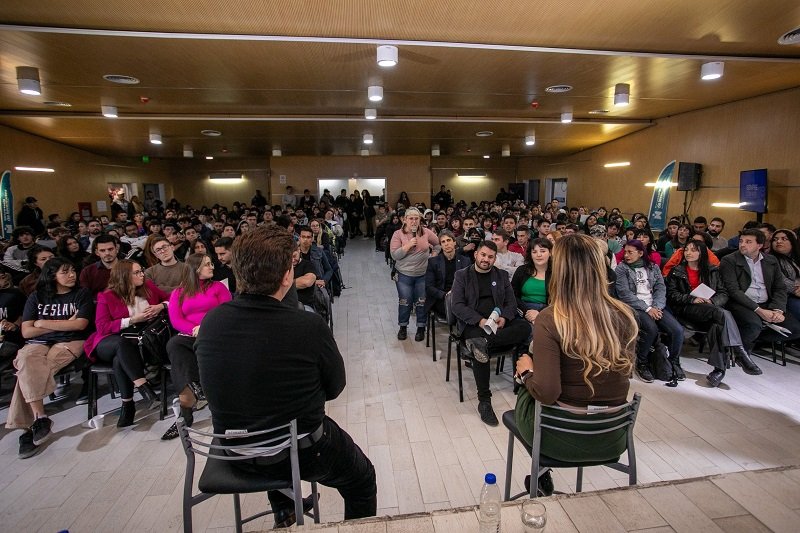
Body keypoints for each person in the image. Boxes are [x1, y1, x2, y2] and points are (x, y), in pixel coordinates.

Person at [195, 226, 376, 526]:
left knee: (264, 411)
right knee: (362, 480)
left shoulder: (212, 322)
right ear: (287, 276)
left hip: (234, 451)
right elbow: (335, 387)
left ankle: (285, 507)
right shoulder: (307, 325)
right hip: (299, 451)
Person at [514, 235, 637, 493]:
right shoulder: (625, 315)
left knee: (529, 386)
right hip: (612, 436)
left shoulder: (551, 318)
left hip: (561, 436)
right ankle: (542, 473)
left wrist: (526, 372)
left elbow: (547, 393)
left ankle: (541, 471)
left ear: (559, 271)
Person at [6, 258, 92, 458]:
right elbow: (26, 332)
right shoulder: (36, 297)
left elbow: (79, 325)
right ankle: (40, 418)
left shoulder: (81, 294)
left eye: (73, 270)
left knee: (28, 374)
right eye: (65, 272)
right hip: (37, 344)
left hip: (71, 342)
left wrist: (42, 323)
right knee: (27, 360)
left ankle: (30, 428)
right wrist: (62, 323)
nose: (72, 275)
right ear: (52, 275)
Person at [451, 240, 530, 426]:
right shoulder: (462, 275)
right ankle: (484, 402)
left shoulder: (501, 276)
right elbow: (457, 306)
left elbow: (511, 303)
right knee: (478, 343)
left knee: (525, 327)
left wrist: (504, 317)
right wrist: (480, 321)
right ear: (476, 254)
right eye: (483, 255)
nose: (486, 259)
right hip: (474, 324)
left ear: (495, 259)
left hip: (498, 324)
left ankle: (483, 344)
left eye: (490, 257)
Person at [83, 260, 167, 427]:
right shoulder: (107, 296)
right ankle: (143, 386)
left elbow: (173, 299)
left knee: (119, 359)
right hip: (108, 340)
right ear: (124, 276)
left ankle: (128, 405)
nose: (142, 274)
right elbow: (102, 327)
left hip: (136, 343)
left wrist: (161, 306)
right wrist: (132, 320)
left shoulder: (148, 287)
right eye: (136, 272)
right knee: (121, 344)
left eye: (141, 270)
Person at [159, 254, 231, 440]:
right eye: (207, 264)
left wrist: (205, 327)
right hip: (190, 335)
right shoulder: (179, 292)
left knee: (190, 349)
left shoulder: (218, 287)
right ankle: (192, 393)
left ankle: (186, 413)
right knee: (174, 344)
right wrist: (193, 330)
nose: (212, 266)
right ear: (195, 268)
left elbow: (227, 313)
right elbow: (176, 320)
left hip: (215, 334)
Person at [665, 241, 754, 387]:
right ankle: (739, 351)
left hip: (710, 310)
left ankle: (718, 371)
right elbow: (672, 295)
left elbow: (723, 293)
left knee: (718, 325)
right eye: (686, 250)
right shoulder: (677, 271)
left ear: (702, 253)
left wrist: (712, 303)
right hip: (687, 308)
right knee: (722, 314)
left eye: (693, 250)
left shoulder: (713, 271)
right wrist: (692, 299)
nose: (688, 253)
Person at [720, 229, 800, 363]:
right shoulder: (730, 260)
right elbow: (733, 291)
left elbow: (779, 288)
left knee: (795, 329)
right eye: (741, 241)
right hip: (741, 303)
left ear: (759, 245)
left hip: (766, 303)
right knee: (753, 325)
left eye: (748, 242)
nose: (743, 245)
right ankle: (743, 352)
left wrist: (777, 310)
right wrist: (759, 310)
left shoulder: (771, 260)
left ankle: (745, 341)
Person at [615, 239, 685, 382]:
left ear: (640, 253)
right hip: (635, 306)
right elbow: (624, 294)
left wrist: (657, 307)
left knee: (677, 330)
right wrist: (647, 308)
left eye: (630, 252)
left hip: (655, 306)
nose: (626, 255)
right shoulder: (622, 268)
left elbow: (660, 288)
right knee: (651, 329)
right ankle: (642, 362)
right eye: (625, 252)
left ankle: (674, 362)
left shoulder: (653, 267)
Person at [390, 207, 441, 341]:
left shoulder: (426, 232)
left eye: (416, 218)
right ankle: (403, 327)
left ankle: (421, 328)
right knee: (405, 301)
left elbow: (437, 245)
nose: (413, 221)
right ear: (405, 220)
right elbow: (394, 255)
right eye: (411, 218)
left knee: (421, 302)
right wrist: (407, 246)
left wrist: (433, 255)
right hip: (404, 274)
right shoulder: (398, 234)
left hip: (423, 274)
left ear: (420, 220)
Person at [424, 230, 472, 319]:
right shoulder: (433, 262)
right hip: (441, 298)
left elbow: (469, 283)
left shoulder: (465, 261)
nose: (446, 244)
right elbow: (429, 287)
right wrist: (445, 295)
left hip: (461, 297)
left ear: (454, 242)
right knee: (457, 308)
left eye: (449, 240)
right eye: (443, 242)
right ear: (441, 246)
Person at [511, 238, 551, 335]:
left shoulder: (557, 272)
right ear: (530, 254)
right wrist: (526, 312)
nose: (538, 255)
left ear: (550, 253)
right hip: (523, 308)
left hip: (548, 310)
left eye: (543, 251)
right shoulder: (522, 270)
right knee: (525, 329)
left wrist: (539, 313)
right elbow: (512, 295)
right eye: (534, 252)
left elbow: (560, 300)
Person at [770, 229, 800, 321]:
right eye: (775, 239)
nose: (778, 241)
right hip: (784, 296)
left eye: (784, 239)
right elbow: (780, 281)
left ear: (793, 242)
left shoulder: (796, 258)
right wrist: (796, 288)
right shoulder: (770, 259)